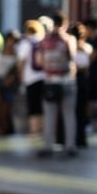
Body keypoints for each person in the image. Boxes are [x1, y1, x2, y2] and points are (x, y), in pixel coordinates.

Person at [36, 11, 78, 158]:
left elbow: (39, 61)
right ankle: (70, 146)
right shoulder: (68, 39)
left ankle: (48, 146)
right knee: (69, 114)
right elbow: (73, 60)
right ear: (65, 24)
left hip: (49, 82)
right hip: (67, 81)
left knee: (49, 115)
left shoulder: (45, 41)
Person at [16, 18, 46, 136]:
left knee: (33, 104)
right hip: (43, 76)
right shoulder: (42, 41)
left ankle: (34, 129)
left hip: (30, 77)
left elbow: (21, 62)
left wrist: (20, 75)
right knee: (42, 104)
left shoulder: (26, 42)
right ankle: (42, 128)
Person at [0, 33, 20, 136]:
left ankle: (6, 129)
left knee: (6, 108)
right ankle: (0, 128)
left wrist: (11, 78)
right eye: (9, 40)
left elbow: (18, 70)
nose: (10, 43)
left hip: (10, 84)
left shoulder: (17, 54)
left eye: (13, 41)